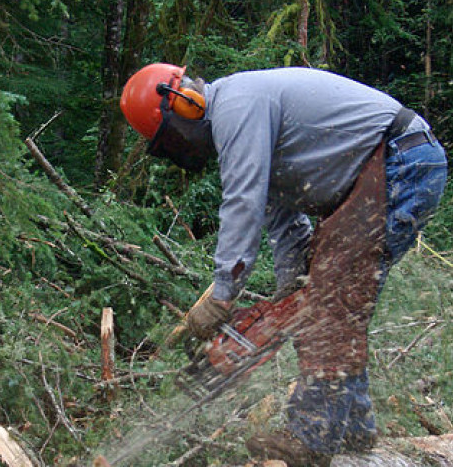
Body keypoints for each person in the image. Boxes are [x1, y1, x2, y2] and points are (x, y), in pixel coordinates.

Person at [119, 64, 448, 466]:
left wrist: (222, 295)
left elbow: (244, 203)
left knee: (332, 304)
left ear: (185, 105)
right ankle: (354, 431)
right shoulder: (248, 122)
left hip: (400, 161)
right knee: (326, 300)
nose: (177, 147)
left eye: (169, 137)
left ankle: (312, 437)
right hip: (379, 171)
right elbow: (284, 221)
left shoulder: (236, 107)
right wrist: (292, 289)